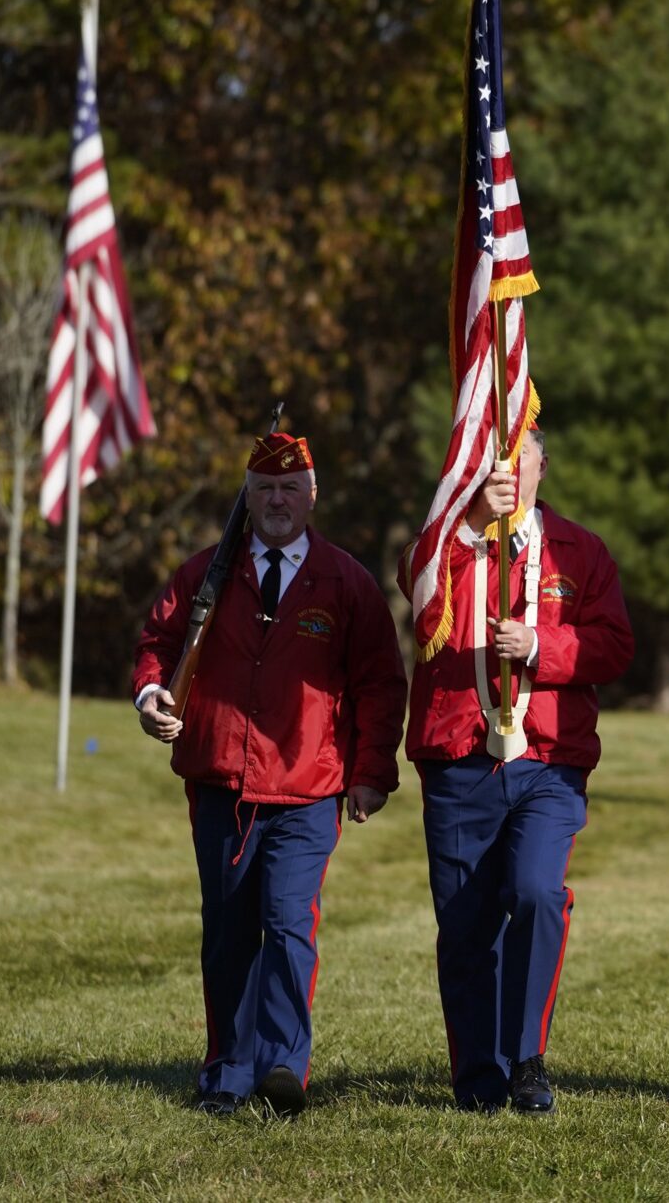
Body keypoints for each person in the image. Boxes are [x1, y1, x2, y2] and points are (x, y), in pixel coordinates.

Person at [132, 431, 407, 1117]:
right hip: (221, 780)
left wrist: (372, 770)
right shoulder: (204, 573)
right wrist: (151, 696)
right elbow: (158, 644)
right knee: (228, 929)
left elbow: (380, 680)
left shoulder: (347, 581)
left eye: (290, 488)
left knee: (288, 923)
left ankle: (284, 1064)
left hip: (309, 787)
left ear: (313, 495)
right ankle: (227, 1068)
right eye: (264, 488)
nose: (278, 500)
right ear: (246, 498)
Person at [402, 426, 633, 1114]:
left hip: (547, 760)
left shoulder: (579, 550)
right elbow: (420, 612)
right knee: (466, 920)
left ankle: (527, 1055)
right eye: (493, 460)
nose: (508, 471)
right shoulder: (445, 545)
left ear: (543, 466)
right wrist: (469, 525)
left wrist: (542, 644)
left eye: (520, 457)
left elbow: (616, 646)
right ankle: (479, 1076)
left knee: (535, 891)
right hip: (457, 754)